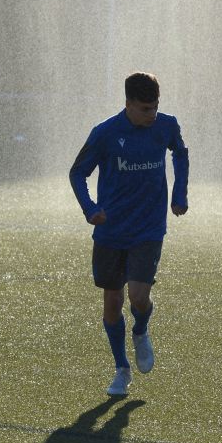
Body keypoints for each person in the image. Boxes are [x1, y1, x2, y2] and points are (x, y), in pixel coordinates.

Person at [70, 72, 189, 396]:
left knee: (138, 296)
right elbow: (78, 172)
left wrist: (180, 194)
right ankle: (122, 369)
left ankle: (141, 329)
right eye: (145, 109)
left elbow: (180, 153)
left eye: (155, 107)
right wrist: (90, 208)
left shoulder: (166, 126)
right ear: (128, 105)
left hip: (148, 228)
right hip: (112, 229)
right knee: (112, 301)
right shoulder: (106, 133)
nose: (152, 115)